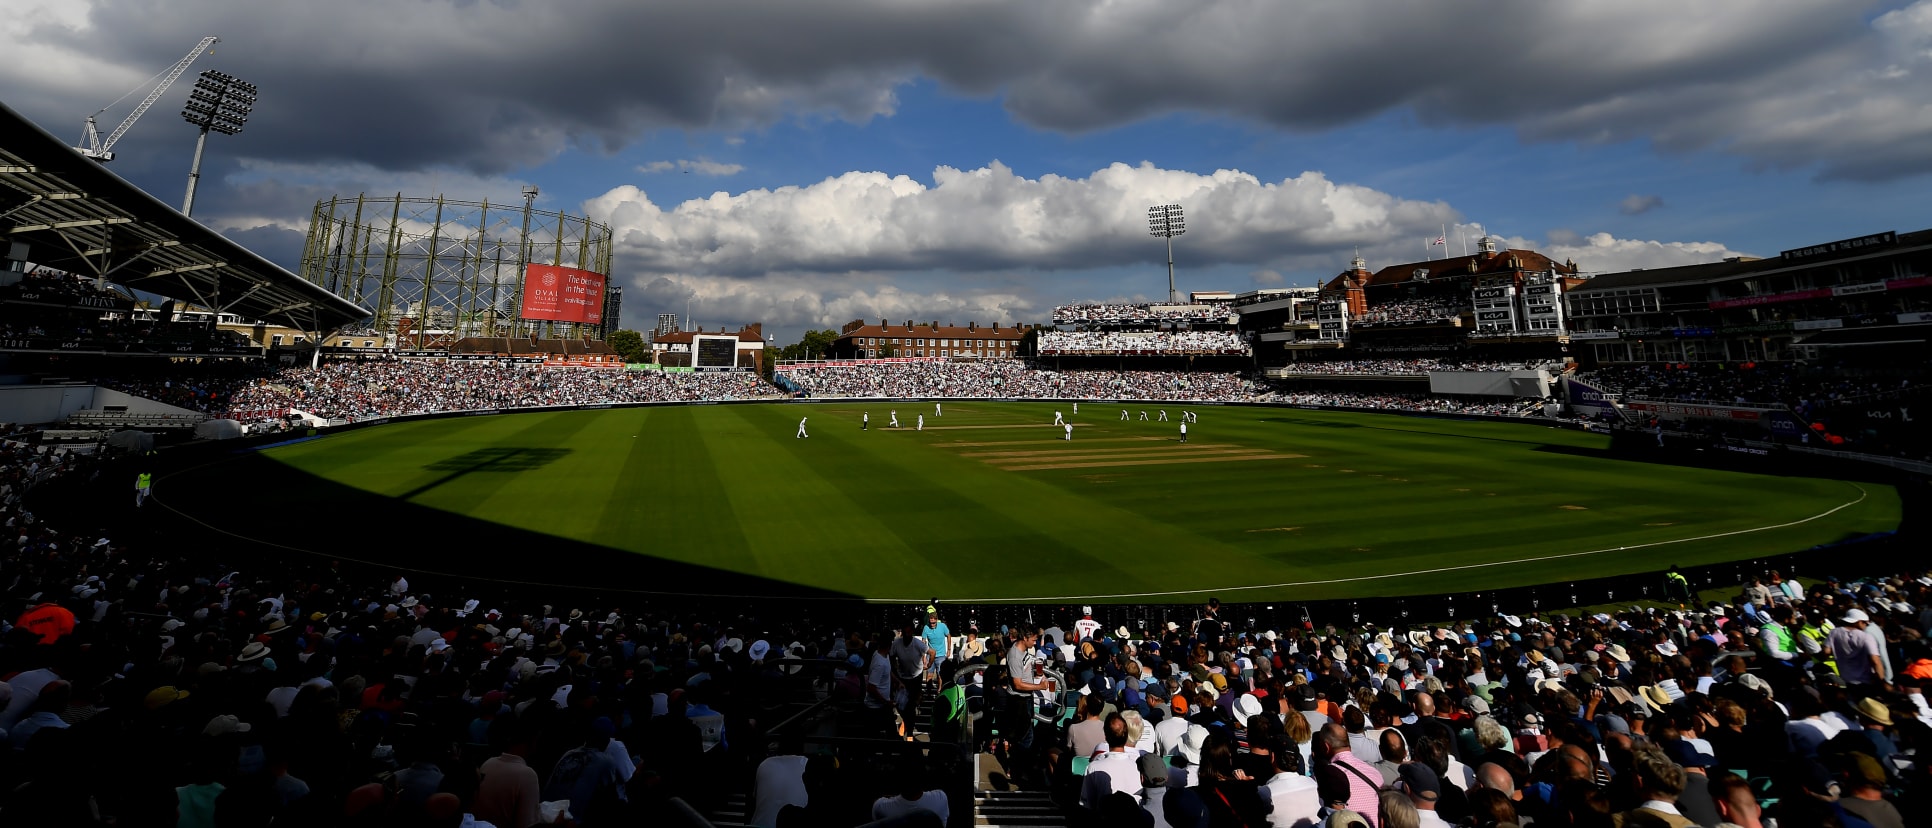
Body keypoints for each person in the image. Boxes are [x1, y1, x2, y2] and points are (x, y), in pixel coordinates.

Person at [1829, 609, 1884, 687]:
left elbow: (1826, 651)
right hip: (1866, 682)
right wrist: (1882, 681)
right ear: (1858, 622)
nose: (1866, 625)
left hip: (1847, 680)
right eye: (1865, 623)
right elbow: (1875, 661)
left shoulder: (1834, 633)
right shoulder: (1866, 637)